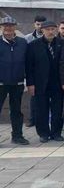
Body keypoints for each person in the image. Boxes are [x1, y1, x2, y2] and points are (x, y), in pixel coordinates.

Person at [26, 20, 64, 143]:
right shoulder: (33, 45)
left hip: (57, 82)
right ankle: (43, 133)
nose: (50, 31)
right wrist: (30, 84)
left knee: (58, 109)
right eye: (48, 29)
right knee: (41, 109)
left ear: (56, 30)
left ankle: (56, 133)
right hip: (40, 83)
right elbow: (29, 66)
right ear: (42, 30)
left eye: (53, 29)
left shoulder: (62, 43)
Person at [0, 16, 30, 145]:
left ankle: (17, 136)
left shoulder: (22, 42)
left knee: (16, 110)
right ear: (1, 27)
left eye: (11, 25)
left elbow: (28, 62)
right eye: (5, 25)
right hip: (0, 83)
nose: (8, 28)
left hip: (17, 82)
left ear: (15, 27)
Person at [25, 15, 46, 128]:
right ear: (34, 24)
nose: (40, 27)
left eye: (42, 24)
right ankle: (32, 119)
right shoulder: (28, 38)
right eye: (38, 24)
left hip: (48, 72)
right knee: (34, 98)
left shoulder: (51, 36)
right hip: (34, 72)